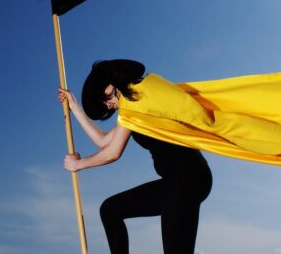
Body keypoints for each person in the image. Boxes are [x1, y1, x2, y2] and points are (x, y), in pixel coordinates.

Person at [58, 59, 212, 254]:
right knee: (110, 210)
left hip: (187, 179)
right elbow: (104, 141)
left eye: (108, 97)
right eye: (104, 103)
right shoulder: (134, 105)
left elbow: (113, 153)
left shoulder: (135, 100)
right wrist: (74, 107)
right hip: (177, 183)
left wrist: (78, 164)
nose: (109, 105)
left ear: (115, 82)